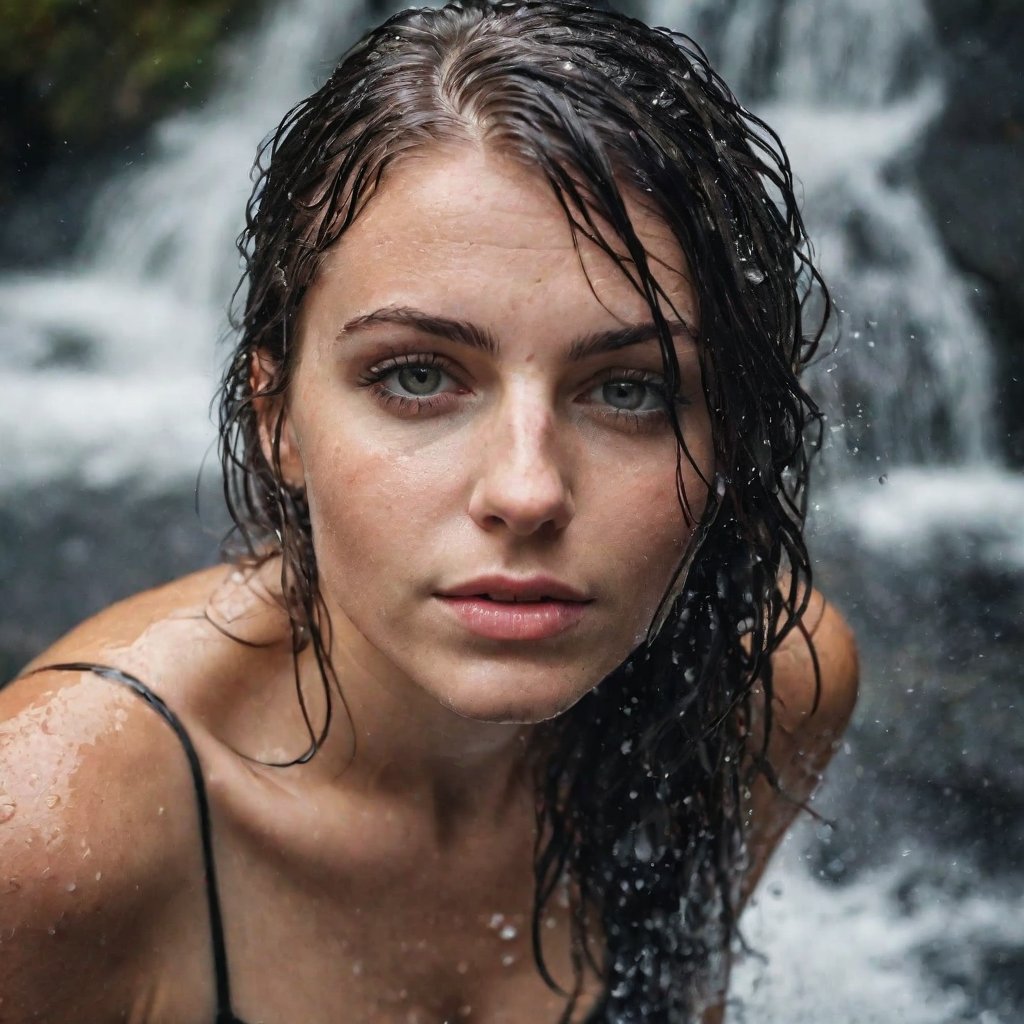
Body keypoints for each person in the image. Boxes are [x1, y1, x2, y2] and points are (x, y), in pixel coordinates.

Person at [0, 1, 858, 1021]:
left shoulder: (764, 685)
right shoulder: (55, 835)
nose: (527, 490)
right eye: (417, 376)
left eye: (627, 389)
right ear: (276, 415)